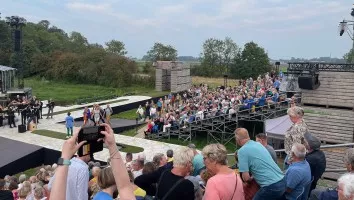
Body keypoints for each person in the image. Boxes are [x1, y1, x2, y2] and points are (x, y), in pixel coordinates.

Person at [49, 124, 135, 200]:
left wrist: (64, 157)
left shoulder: (70, 162)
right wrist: (112, 146)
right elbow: (124, 187)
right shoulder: (82, 168)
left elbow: (50, 186)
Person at [235, 128, 285, 200]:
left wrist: (252, 178)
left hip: (271, 186)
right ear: (248, 136)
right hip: (282, 181)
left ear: (237, 139)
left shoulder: (242, 151)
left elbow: (246, 178)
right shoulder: (258, 144)